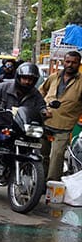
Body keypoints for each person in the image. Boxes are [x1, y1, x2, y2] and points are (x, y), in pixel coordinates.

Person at [0, 62, 46, 189]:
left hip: (21, 128)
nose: (27, 82)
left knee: (37, 147)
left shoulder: (35, 94)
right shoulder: (4, 87)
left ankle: (38, 184)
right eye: (25, 78)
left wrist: (45, 111)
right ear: (18, 77)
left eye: (31, 79)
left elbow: (42, 106)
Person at [39, 50, 82, 181]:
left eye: (74, 63)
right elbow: (41, 91)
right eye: (68, 61)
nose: (70, 65)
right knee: (41, 154)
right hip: (46, 120)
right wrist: (41, 106)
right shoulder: (54, 76)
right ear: (63, 62)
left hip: (65, 125)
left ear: (79, 64)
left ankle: (51, 184)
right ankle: (39, 182)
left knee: (57, 156)